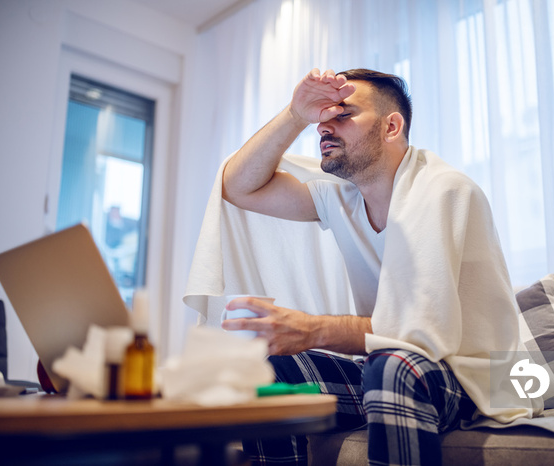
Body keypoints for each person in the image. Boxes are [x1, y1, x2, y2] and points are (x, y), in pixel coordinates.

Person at [219, 68, 534, 465]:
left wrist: (311, 328)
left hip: (491, 379)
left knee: (393, 367)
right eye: (322, 117)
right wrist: (295, 114)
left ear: (391, 126)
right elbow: (238, 186)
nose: (324, 127)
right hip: (412, 368)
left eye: (343, 115)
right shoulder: (341, 198)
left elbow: (418, 333)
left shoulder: (443, 189)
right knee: (268, 371)